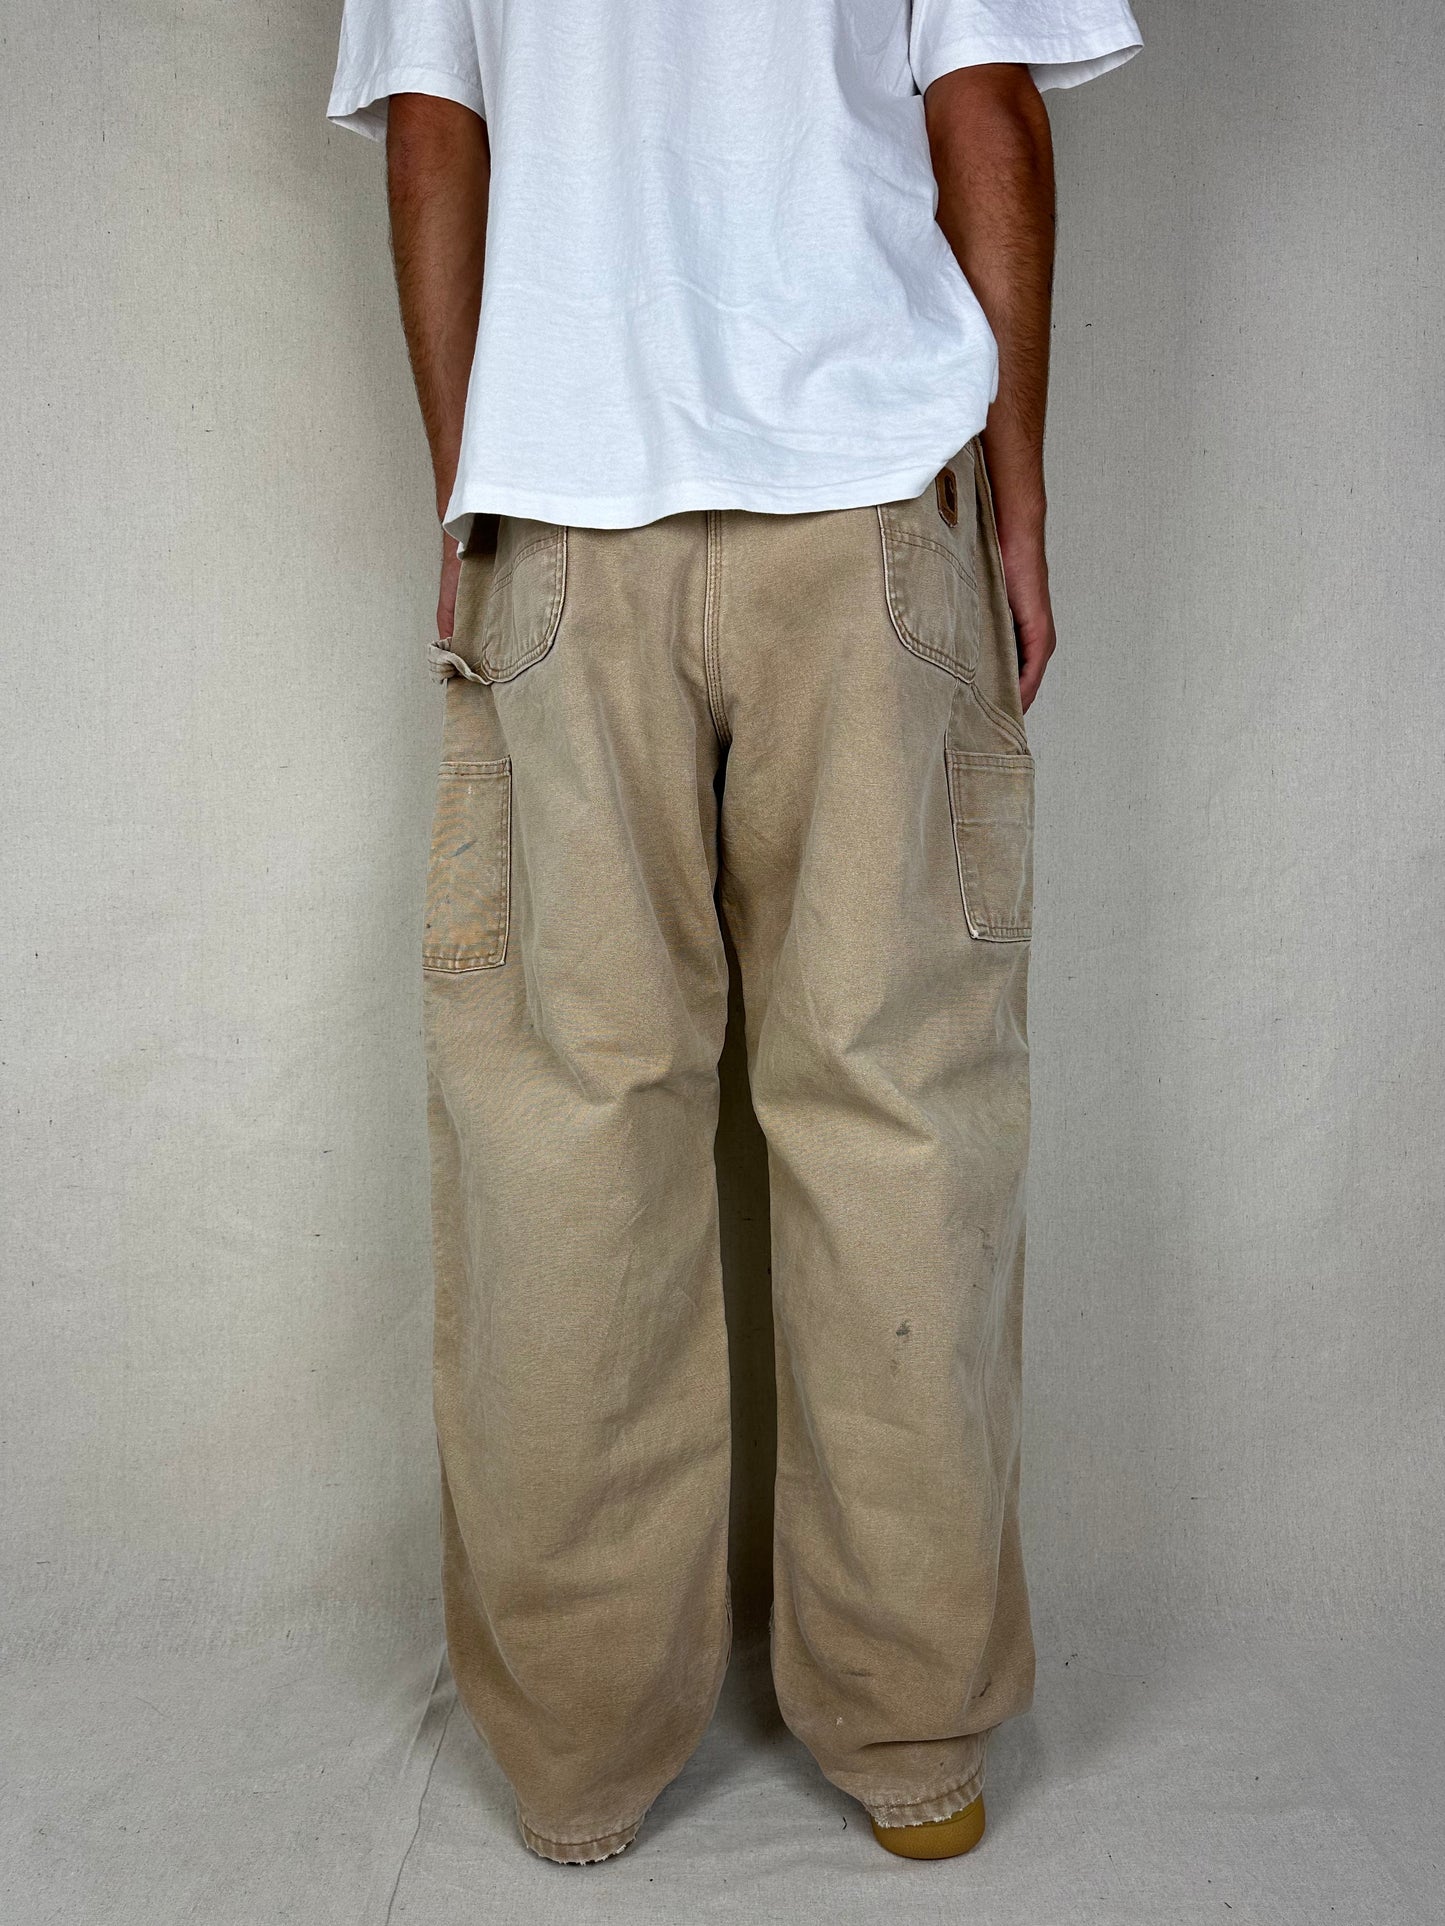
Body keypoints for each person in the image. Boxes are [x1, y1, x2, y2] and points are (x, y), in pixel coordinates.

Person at [328, 0, 1141, 1868]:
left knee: (568, 1132)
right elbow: (989, 113)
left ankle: (578, 1758)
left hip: (564, 503)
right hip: (867, 498)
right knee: (896, 1120)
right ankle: (913, 1739)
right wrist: (1015, 494)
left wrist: (470, 484)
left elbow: (433, 136)